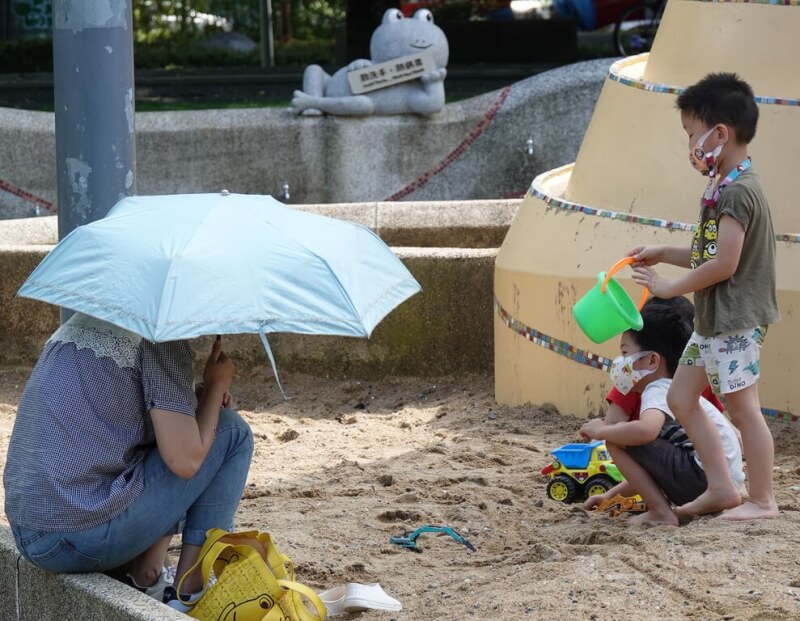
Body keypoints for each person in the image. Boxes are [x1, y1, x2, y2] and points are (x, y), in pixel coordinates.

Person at [3, 312, 254, 605]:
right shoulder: (162, 335)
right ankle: (190, 592)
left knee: (189, 426)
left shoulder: (85, 320)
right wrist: (216, 386)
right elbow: (185, 460)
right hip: (72, 536)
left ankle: (145, 571)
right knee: (232, 432)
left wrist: (199, 402)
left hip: (29, 526)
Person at [629, 73, 780, 520]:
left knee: (743, 406)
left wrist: (669, 287)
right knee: (680, 397)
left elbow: (725, 265)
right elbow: (705, 252)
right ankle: (721, 487)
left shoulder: (738, 192)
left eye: (692, 134)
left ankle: (762, 500)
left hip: (734, 321)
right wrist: (663, 252)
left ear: (720, 133)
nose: (690, 144)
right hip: (714, 320)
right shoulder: (721, 186)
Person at [580, 297, 744, 526]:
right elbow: (652, 469)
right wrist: (610, 495)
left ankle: (660, 512)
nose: (620, 362)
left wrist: (602, 431)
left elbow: (645, 432)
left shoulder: (658, 389)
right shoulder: (679, 390)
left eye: (625, 353)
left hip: (701, 480)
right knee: (623, 436)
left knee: (616, 439)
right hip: (720, 482)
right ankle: (662, 508)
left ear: (652, 360)